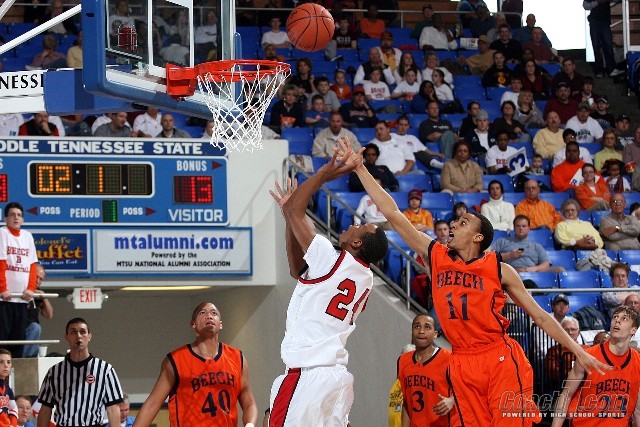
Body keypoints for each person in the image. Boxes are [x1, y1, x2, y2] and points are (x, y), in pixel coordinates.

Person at [336, 138, 608, 425]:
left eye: (463, 223)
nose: (454, 224)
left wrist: (578, 350)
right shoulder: (436, 255)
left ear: (478, 237)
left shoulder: (500, 270)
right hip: (462, 361)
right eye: (456, 221)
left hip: (499, 358)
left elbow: (540, 316)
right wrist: (360, 168)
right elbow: (393, 213)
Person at [267, 156, 389, 426]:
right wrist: (290, 219)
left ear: (357, 243)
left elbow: (297, 210)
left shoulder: (330, 257)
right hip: (336, 378)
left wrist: (323, 173)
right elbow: (298, 270)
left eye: (359, 227)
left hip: (307, 375)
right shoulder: (365, 278)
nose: (352, 224)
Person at [132, 303, 258, 427]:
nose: (209, 316)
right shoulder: (175, 360)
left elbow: (249, 403)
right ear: (193, 324)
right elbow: (152, 404)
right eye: (202, 313)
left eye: (214, 313)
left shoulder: (237, 358)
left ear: (220, 324)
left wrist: (250, 424)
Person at [551, 306, 640, 426]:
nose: (617, 320)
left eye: (624, 318)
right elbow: (566, 395)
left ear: (633, 330)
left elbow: (637, 410)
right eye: (615, 317)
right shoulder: (588, 355)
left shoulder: (637, 361)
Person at [37, 318, 124, 427]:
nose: (78, 336)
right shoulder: (54, 372)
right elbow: (45, 409)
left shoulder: (105, 369)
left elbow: (113, 409)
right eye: (73, 332)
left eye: (82, 332)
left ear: (89, 336)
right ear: (66, 337)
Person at [398, 314, 457, 427]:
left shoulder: (449, 358)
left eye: (427, 327)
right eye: (417, 326)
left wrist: (452, 400)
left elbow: (470, 390)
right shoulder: (403, 361)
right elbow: (407, 403)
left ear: (435, 334)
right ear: (411, 332)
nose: (421, 331)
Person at [0, 202, 39, 359]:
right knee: (3, 338)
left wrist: (31, 288)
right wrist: (3, 288)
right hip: (4, 299)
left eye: (19, 215)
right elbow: (1, 262)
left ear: (22, 219)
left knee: (18, 339)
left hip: (21, 299)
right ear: (5, 218)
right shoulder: (2, 233)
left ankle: (13, 370)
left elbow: (32, 265)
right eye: (12, 215)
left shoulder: (27, 236)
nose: (16, 218)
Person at [492, 215, 565, 273]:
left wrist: (534, 269)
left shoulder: (536, 246)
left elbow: (546, 264)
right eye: (518, 226)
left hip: (532, 273)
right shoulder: (503, 241)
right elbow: (489, 257)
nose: (521, 228)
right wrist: (509, 255)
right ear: (514, 228)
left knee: (560, 269)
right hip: (510, 273)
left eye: (524, 226)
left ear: (529, 228)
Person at [584, 0, 621, 78]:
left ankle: (609, 69)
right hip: (595, 21)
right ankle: (601, 70)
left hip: (604, 21)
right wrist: (598, 2)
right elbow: (585, 5)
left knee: (607, 45)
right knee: (597, 46)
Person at [544, 317, 587, 383]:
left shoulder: (587, 349)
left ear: (578, 332)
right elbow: (552, 371)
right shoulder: (553, 351)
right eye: (566, 330)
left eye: (573, 329)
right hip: (563, 384)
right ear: (561, 332)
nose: (570, 332)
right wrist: (574, 375)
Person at [22, 264, 52, 358]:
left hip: (30, 331)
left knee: (35, 327)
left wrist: (44, 297)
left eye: (41, 279)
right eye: (36, 277)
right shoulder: (19, 288)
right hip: (16, 327)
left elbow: (49, 315)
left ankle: (28, 360)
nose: (38, 281)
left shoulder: (38, 293)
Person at [0, 349, 18, 426]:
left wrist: (13, 424)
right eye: (1, 362)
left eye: (8, 362)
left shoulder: (7, 387)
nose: (6, 365)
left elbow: (13, 408)